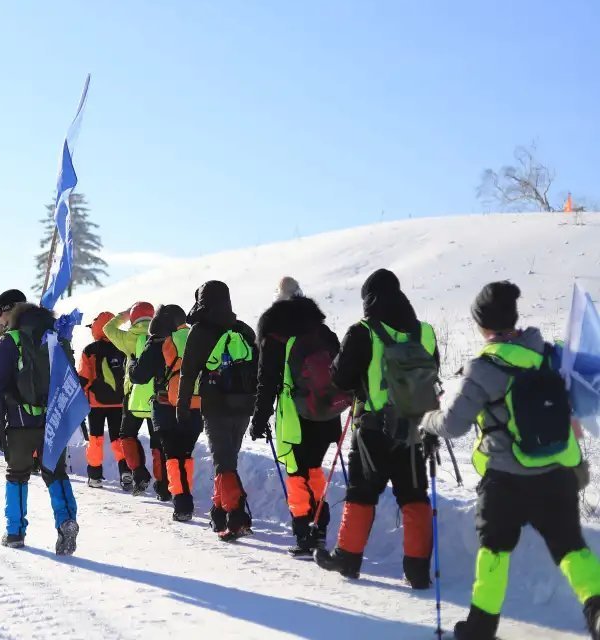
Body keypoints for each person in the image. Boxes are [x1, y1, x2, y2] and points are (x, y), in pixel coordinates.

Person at [420, 281, 600, 640]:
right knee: (571, 548)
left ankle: (480, 629)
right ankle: (597, 610)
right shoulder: (551, 354)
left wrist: (427, 421)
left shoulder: (483, 368)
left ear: (483, 326)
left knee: (495, 551)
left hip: (505, 478)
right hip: (557, 472)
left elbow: (454, 425)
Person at [315, 269, 438, 589]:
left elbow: (339, 379)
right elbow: (431, 374)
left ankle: (348, 558)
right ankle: (418, 570)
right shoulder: (425, 332)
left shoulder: (363, 332)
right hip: (413, 430)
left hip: (372, 430)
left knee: (362, 494)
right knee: (414, 497)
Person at [251, 277, 348, 557]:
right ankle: (319, 530)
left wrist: (259, 419)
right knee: (314, 469)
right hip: (326, 415)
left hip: (294, 417)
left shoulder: (274, 335)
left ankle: (304, 532)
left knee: (296, 473)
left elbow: (266, 382)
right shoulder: (322, 330)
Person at [0, 289, 79, 555]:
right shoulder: (56, 338)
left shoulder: (10, 340)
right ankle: (66, 521)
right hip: (52, 421)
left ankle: (15, 532)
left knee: (17, 475)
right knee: (56, 473)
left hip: (19, 422)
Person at [177, 280, 259, 541]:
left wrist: (182, 404)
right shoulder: (243, 330)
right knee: (227, 460)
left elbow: (188, 372)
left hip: (215, 406)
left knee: (224, 462)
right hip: (243, 406)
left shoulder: (200, 331)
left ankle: (236, 516)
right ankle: (218, 511)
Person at [130, 304, 200, 521]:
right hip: (195, 406)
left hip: (167, 407)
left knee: (173, 456)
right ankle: (185, 496)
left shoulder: (158, 341)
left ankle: (182, 502)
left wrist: (132, 362)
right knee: (186, 455)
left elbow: (139, 376)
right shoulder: (197, 337)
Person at [104, 302, 167, 498]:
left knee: (127, 434)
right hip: (158, 396)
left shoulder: (128, 338)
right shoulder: (162, 336)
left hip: (133, 396)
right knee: (159, 442)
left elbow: (107, 328)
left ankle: (139, 474)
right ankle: (164, 486)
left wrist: (122, 316)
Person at [78, 312, 129, 489]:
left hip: (96, 403)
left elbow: (84, 378)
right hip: (119, 402)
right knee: (118, 438)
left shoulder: (90, 350)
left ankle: (95, 475)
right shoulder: (123, 346)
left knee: (96, 438)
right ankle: (126, 472)